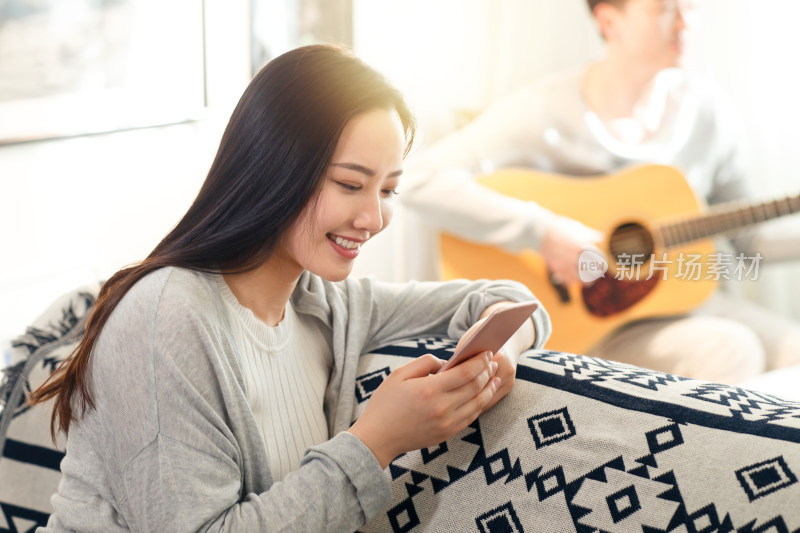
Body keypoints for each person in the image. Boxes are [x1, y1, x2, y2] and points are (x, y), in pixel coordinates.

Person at [28, 45, 551, 532]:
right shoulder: (167, 317)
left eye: (388, 189)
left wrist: (503, 348)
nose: (372, 217)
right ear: (273, 169)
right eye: (350, 184)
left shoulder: (324, 305)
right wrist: (377, 441)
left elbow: (508, 300)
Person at [401, 0, 800, 384]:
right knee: (731, 350)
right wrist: (543, 233)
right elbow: (419, 179)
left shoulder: (709, 113)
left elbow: (751, 243)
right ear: (610, 22)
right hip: (590, 322)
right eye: (664, 8)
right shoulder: (545, 111)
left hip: (684, 300)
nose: (686, 22)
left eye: (690, 6)